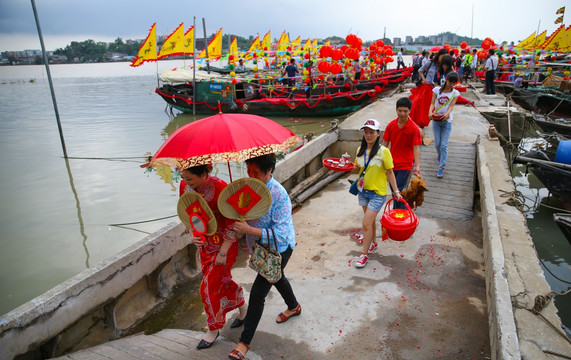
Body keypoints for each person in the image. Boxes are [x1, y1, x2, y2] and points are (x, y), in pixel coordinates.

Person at [229, 153, 300, 360]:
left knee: (258, 294)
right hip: (259, 248)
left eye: (256, 173)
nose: (250, 177)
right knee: (276, 277)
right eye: (248, 171)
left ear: (269, 171)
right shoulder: (248, 188)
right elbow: (242, 213)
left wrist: (248, 230)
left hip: (279, 248)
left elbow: (281, 233)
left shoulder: (279, 195)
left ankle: (244, 343)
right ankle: (294, 307)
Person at [179, 165, 247, 350]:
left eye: (190, 178)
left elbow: (233, 223)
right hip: (204, 245)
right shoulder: (185, 187)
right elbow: (188, 215)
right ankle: (241, 304)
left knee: (208, 286)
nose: (186, 182)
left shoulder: (221, 188)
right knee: (220, 281)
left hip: (224, 246)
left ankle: (213, 328)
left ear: (204, 174)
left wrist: (223, 252)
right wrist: (192, 234)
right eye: (183, 177)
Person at [353, 119, 402, 268]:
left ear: (378, 134)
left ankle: (364, 254)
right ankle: (373, 243)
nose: (368, 135)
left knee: (366, 223)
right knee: (371, 221)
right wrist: (344, 165)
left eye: (371, 132)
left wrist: (396, 191)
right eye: (366, 132)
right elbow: (357, 168)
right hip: (363, 192)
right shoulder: (359, 150)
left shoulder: (383, 152)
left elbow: (390, 172)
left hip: (377, 193)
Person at [382, 97, 422, 209]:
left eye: (405, 111)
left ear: (410, 111)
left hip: (405, 164)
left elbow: (416, 148)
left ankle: (397, 214)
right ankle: (402, 213)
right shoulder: (391, 125)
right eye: (400, 110)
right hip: (391, 164)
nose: (402, 113)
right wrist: (378, 158)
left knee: (397, 190)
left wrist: (417, 166)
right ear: (396, 110)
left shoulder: (413, 128)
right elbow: (384, 144)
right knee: (396, 191)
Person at [428, 72, 460, 178]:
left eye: (453, 83)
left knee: (444, 145)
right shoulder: (436, 90)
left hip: (447, 121)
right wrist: (430, 112)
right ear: (446, 80)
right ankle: (440, 155)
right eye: (450, 82)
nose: (451, 84)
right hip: (436, 120)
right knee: (437, 144)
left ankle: (442, 167)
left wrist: (447, 113)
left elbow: (451, 106)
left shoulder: (455, 93)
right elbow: (432, 102)